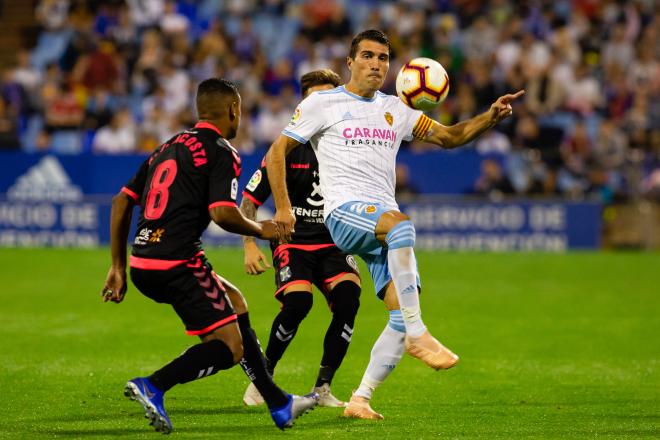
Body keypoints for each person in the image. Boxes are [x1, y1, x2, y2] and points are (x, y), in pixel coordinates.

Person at [265, 29, 524, 420]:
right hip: (344, 213)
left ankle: (361, 398)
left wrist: (490, 116)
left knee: (401, 312)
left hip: (378, 220)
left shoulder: (396, 110)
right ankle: (422, 333)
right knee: (403, 228)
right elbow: (275, 153)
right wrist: (283, 208)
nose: (375, 64)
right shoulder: (323, 103)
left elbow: (451, 136)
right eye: (367, 56)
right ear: (350, 62)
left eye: (383, 58)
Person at [100, 78, 318, 434]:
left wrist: (116, 266)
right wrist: (264, 228)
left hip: (142, 261)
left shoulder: (166, 147)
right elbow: (221, 212)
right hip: (179, 262)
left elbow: (121, 200)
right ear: (233, 110)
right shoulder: (221, 152)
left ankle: (278, 403)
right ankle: (153, 385)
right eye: (241, 112)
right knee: (228, 349)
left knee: (235, 301)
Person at [239, 69, 361, 408]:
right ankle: (264, 378)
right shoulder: (285, 149)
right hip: (293, 241)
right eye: (314, 98)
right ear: (303, 104)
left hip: (334, 240)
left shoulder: (349, 147)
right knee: (298, 304)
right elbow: (248, 203)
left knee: (349, 300)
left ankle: (323, 388)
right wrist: (249, 245)